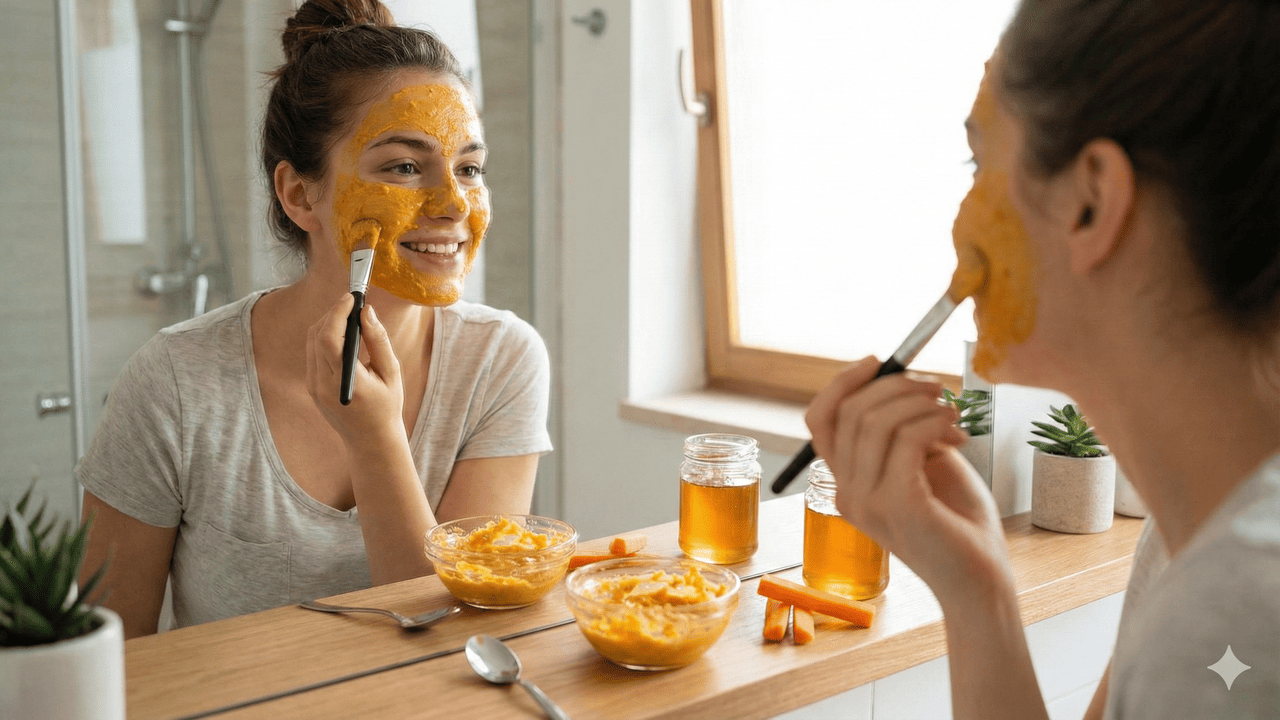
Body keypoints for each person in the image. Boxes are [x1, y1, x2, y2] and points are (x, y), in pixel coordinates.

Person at [805, 1, 1280, 718]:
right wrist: (977, 591)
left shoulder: (1233, 612)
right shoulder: (1198, 538)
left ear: (1091, 199)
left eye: (978, 161)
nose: (960, 220)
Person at [75, 0, 551, 638]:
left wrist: (375, 439)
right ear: (300, 194)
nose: (453, 203)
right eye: (405, 167)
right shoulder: (175, 382)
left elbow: (461, 632)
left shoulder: (503, 361)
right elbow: (105, 659)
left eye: (469, 168)